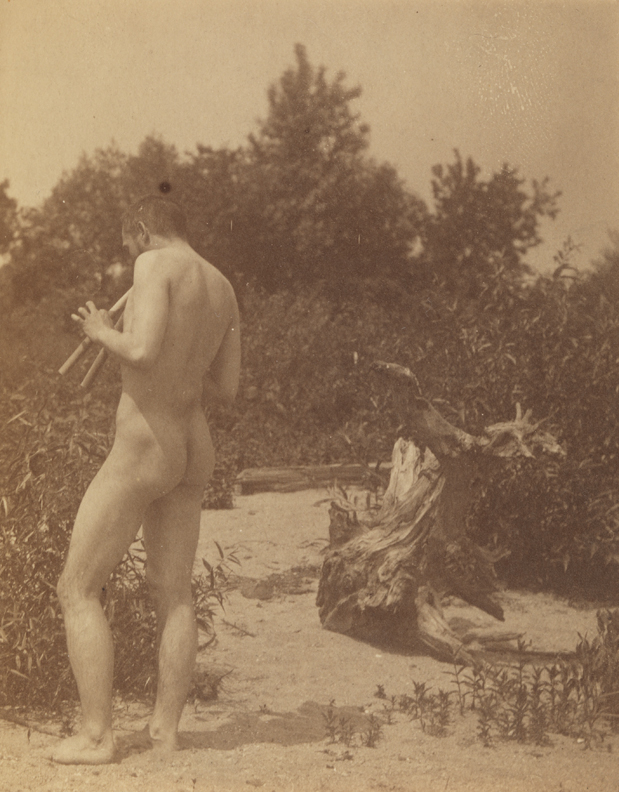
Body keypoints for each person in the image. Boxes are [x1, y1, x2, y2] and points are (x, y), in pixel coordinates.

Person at [52, 195, 241, 765]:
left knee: (77, 587)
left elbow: (140, 349)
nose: (129, 251)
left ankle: (96, 736)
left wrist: (99, 329)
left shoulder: (153, 264)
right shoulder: (222, 286)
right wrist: (177, 364)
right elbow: (228, 387)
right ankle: (165, 731)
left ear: (142, 229)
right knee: (174, 590)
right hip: (193, 443)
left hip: (145, 444)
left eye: (128, 240)